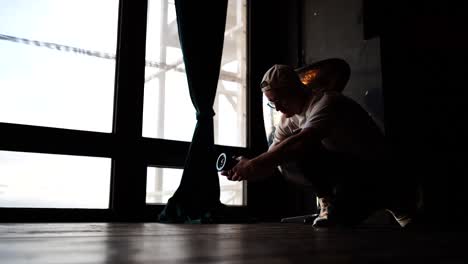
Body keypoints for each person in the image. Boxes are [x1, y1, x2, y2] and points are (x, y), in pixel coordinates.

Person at [221, 58, 421, 228]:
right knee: (286, 156)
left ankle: (394, 197)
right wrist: (245, 169)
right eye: (272, 103)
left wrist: (255, 164)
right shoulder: (287, 120)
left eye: (280, 99)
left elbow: (302, 142)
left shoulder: (327, 102)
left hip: (377, 169)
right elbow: (273, 159)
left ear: (296, 89)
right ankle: (341, 201)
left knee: (296, 147)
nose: (278, 107)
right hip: (349, 172)